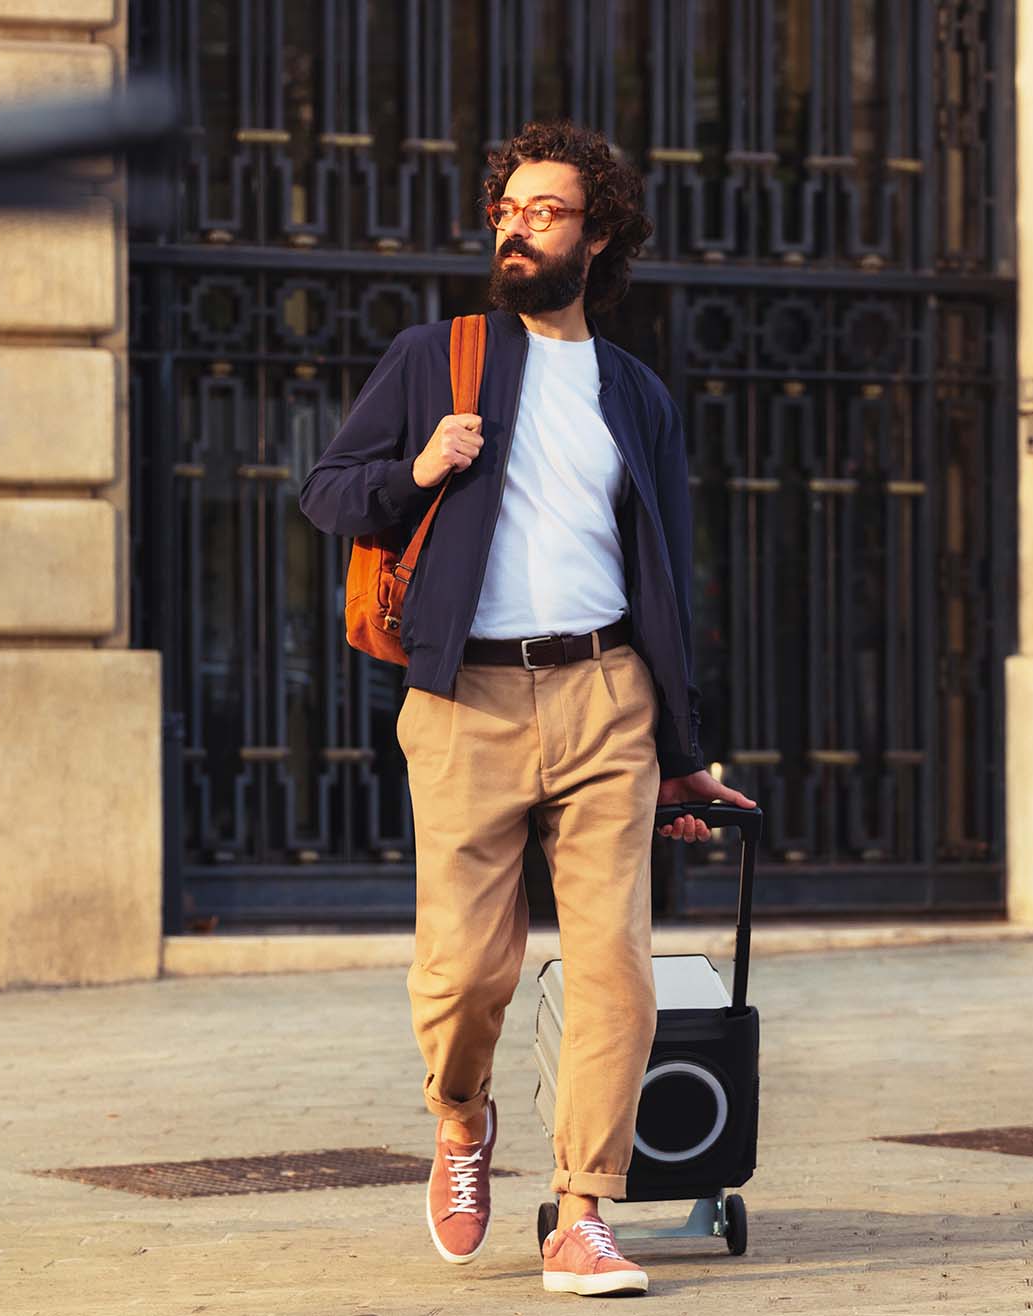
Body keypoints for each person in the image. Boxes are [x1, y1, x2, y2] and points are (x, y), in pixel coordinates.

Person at [298, 120, 755, 1297]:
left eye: (544, 210)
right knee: (462, 972)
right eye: (507, 208)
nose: (517, 225)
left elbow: (668, 571)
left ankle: (585, 1211)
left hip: (609, 693)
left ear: (596, 235)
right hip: (466, 699)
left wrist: (683, 750)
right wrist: (418, 471)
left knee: (614, 963)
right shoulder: (434, 357)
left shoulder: (635, 394)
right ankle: (461, 1120)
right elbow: (326, 493)